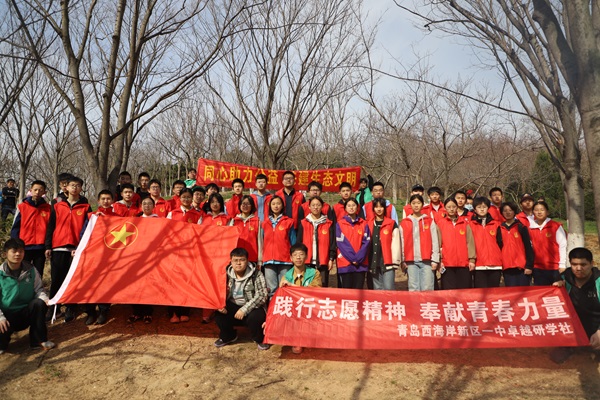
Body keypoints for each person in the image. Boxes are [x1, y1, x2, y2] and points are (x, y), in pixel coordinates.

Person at [45, 176, 92, 322]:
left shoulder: (85, 207)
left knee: (72, 279)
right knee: (56, 279)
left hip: (76, 249)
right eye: (72, 185)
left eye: (78, 185)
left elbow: (89, 228)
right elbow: (51, 226)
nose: (75, 188)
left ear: (81, 188)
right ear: (66, 187)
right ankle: (54, 307)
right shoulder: (57, 206)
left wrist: (82, 247)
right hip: (58, 247)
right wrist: (48, 246)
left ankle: (70, 307)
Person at [0, 239, 54, 354]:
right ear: (5, 254)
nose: (18, 254)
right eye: (14, 251)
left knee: (39, 303)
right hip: (6, 316)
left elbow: (39, 289)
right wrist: (0, 317)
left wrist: (45, 299)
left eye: (20, 251)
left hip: (25, 312)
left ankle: (38, 340)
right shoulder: (0, 273)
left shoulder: (31, 270)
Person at [551, 248, 600, 363]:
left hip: (595, 325)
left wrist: (599, 331)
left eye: (583, 264)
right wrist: (556, 290)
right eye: (574, 264)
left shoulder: (598, 281)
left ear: (592, 264)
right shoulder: (564, 278)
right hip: (572, 326)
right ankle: (568, 346)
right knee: (556, 357)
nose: (578, 268)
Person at [214, 248, 269, 350]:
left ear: (247, 261)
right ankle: (228, 336)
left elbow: (262, 296)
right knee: (219, 314)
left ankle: (259, 339)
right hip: (233, 305)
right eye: (235, 260)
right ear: (231, 261)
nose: (238, 263)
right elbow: (216, 290)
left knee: (257, 316)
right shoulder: (225, 274)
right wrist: (219, 304)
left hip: (251, 306)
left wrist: (244, 309)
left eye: (242, 260)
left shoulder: (256, 274)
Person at [279, 243, 322, 354]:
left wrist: (293, 286)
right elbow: (281, 297)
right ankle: (297, 340)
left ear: (306, 256)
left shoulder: (314, 273)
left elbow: (315, 290)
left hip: (310, 305)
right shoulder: (286, 276)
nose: (298, 257)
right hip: (295, 308)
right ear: (291, 258)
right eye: (295, 255)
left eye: (301, 254)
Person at [83, 190, 117, 325]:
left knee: (105, 283)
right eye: (103, 199)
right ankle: (90, 312)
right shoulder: (91, 216)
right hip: (92, 255)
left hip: (109, 256)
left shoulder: (117, 217)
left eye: (108, 199)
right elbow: (83, 234)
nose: (106, 201)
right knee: (89, 282)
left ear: (112, 201)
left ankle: (104, 310)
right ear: (98, 201)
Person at [10, 180, 51, 278]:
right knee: (22, 272)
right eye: (35, 190)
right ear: (30, 190)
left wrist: (48, 246)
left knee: (38, 273)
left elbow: (50, 228)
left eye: (40, 190)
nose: (37, 192)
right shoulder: (22, 207)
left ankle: (37, 288)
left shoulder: (48, 208)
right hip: (24, 246)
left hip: (40, 247)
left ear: (44, 192)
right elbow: (15, 227)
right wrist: (16, 244)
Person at [400, 195, 440, 291]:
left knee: (427, 288)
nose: (416, 205)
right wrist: (402, 260)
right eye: (413, 203)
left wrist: (435, 259)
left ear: (422, 205)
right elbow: (402, 242)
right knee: (413, 287)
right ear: (410, 205)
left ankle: (427, 302)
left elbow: (435, 240)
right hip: (411, 260)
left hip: (427, 260)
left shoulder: (429, 221)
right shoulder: (405, 222)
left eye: (418, 203)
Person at [128, 197, 158, 323]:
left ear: (154, 206)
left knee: (148, 285)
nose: (147, 206)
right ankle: (136, 312)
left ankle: (147, 312)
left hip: (152, 257)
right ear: (141, 206)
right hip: (137, 257)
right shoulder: (136, 220)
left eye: (149, 204)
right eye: (144, 204)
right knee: (135, 285)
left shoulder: (159, 220)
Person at [436, 197, 476, 289]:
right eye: (448, 207)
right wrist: (439, 260)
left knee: (464, 290)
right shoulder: (440, 223)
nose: (451, 209)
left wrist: (472, 260)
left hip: (463, 263)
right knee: (449, 291)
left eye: (453, 207)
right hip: (447, 263)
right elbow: (438, 243)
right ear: (445, 208)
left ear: (457, 207)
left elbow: (470, 242)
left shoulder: (464, 223)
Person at [296, 196, 336, 287]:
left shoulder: (328, 223)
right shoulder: (303, 223)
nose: (315, 207)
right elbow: (299, 242)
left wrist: (331, 258)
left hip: (323, 261)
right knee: (307, 286)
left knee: (322, 286)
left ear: (322, 207)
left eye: (318, 205)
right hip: (307, 261)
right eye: (313, 205)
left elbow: (332, 243)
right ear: (309, 207)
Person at [262, 195, 296, 299]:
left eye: (278, 203)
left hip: (285, 260)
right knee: (271, 290)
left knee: (285, 287)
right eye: (273, 204)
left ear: (282, 206)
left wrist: (293, 257)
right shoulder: (265, 223)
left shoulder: (289, 222)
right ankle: (273, 309)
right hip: (268, 260)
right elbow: (261, 241)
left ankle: (284, 308)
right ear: (270, 206)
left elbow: (293, 241)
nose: (276, 206)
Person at [529, 201, 567, 286]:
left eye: (542, 210)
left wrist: (562, 264)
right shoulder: (531, 228)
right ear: (533, 212)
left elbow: (563, 245)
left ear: (547, 212)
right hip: (538, 268)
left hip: (555, 267)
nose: (539, 212)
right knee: (541, 291)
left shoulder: (555, 226)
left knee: (557, 291)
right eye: (536, 210)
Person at [496, 202, 534, 287]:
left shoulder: (521, 227)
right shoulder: (500, 229)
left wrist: (529, 265)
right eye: (505, 211)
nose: (508, 212)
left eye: (510, 210)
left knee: (524, 292)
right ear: (502, 213)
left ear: (514, 212)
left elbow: (528, 247)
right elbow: (499, 247)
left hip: (522, 267)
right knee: (511, 292)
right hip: (507, 267)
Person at [336, 198, 371, 289]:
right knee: (347, 291)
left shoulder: (364, 224)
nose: (351, 208)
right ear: (345, 208)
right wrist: (353, 258)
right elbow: (342, 244)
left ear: (357, 207)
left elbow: (366, 242)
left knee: (358, 291)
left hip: (361, 263)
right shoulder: (340, 224)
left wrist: (358, 259)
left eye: (353, 205)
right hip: (345, 263)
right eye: (349, 206)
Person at [369, 198, 401, 290]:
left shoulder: (391, 223)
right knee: (377, 289)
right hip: (374, 261)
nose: (379, 209)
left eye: (381, 207)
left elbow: (396, 243)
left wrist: (396, 261)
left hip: (388, 261)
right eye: (376, 207)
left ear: (385, 208)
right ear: (373, 209)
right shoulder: (369, 224)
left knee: (389, 288)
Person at [470, 197, 503, 288]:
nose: (482, 209)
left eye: (484, 207)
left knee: (494, 292)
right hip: (478, 264)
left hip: (495, 263)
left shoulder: (496, 224)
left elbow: (501, 243)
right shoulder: (470, 225)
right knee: (480, 292)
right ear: (474, 210)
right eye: (479, 207)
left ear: (488, 208)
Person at [229, 195, 262, 266]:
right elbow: (230, 241)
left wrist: (260, 260)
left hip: (252, 257)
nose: (245, 206)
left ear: (252, 206)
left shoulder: (257, 221)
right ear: (240, 205)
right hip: (236, 258)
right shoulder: (234, 221)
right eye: (243, 203)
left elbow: (260, 241)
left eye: (248, 204)